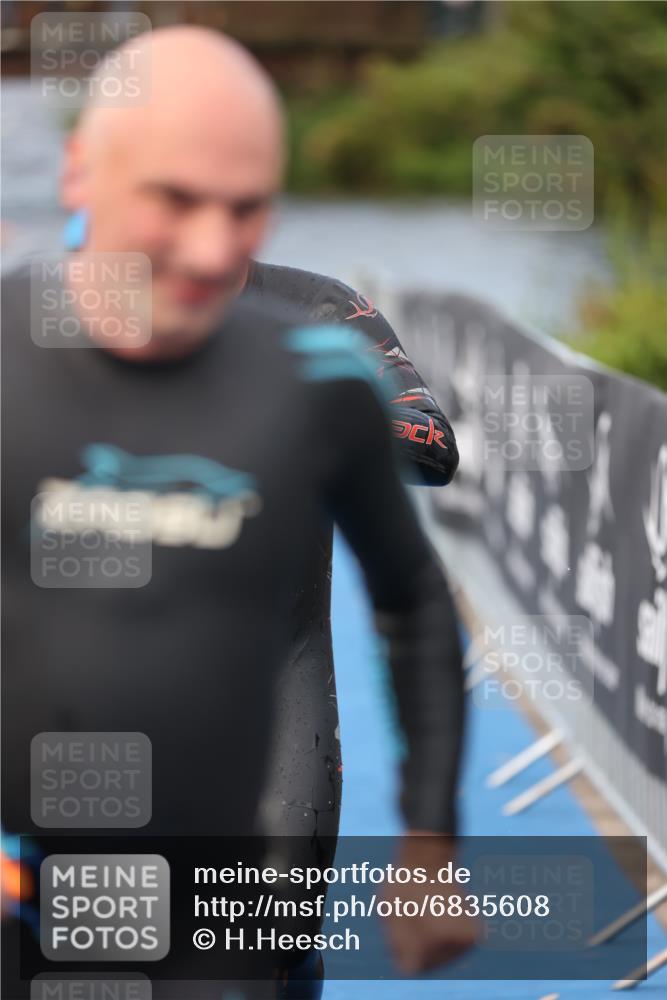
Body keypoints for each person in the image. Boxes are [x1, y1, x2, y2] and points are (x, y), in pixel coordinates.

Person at [1, 26, 469, 1000]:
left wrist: (427, 840)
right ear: (82, 172)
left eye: (247, 207)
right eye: (175, 199)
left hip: (262, 782)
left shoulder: (315, 342)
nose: (213, 246)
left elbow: (422, 549)